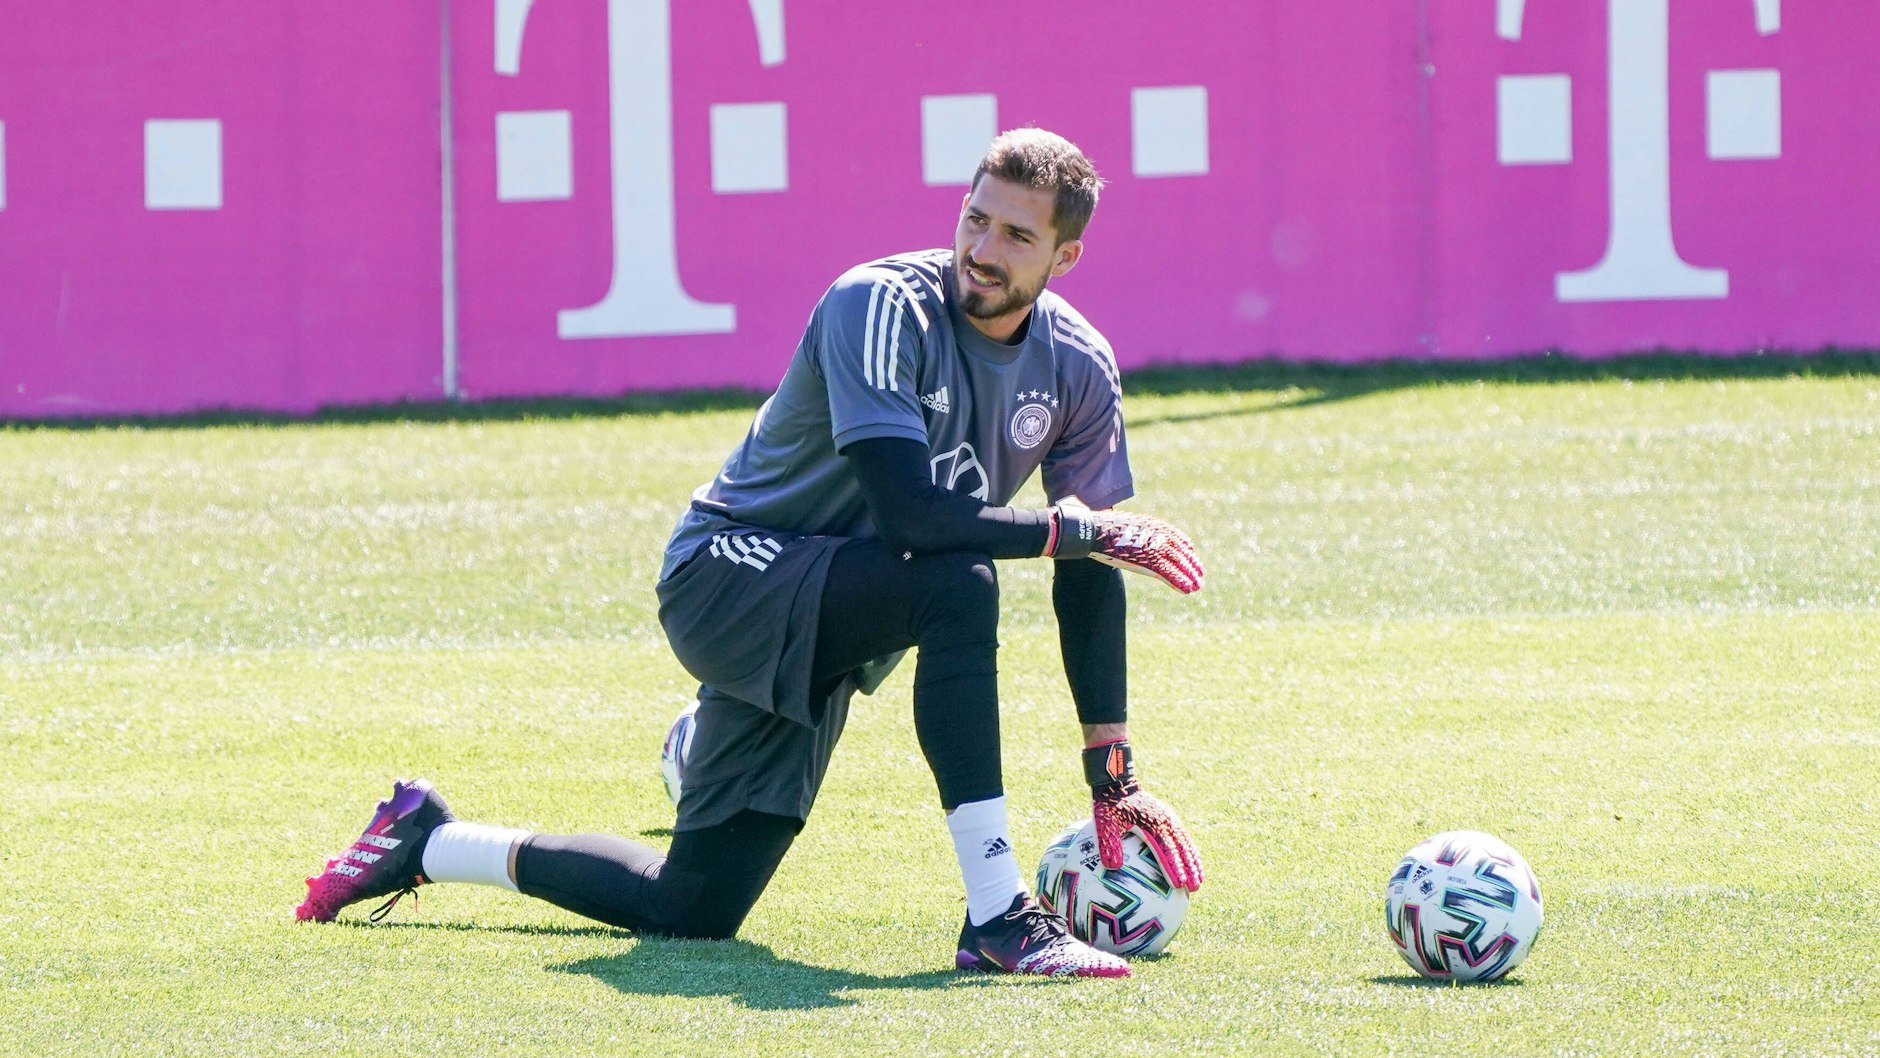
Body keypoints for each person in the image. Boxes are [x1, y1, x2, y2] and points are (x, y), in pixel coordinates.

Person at [296, 128, 1205, 978]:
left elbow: (1090, 574)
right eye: (976, 217)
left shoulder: (1080, 366)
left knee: (692, 906)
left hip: (840, 619)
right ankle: (1000, 917)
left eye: (1016, 234)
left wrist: (1113, 774)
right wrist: (1082, 531)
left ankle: (430, 839)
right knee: (959, 585)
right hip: (730, 576)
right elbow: (912, 520)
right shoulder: (879, 304)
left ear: (1063, 256)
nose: (983, 247)